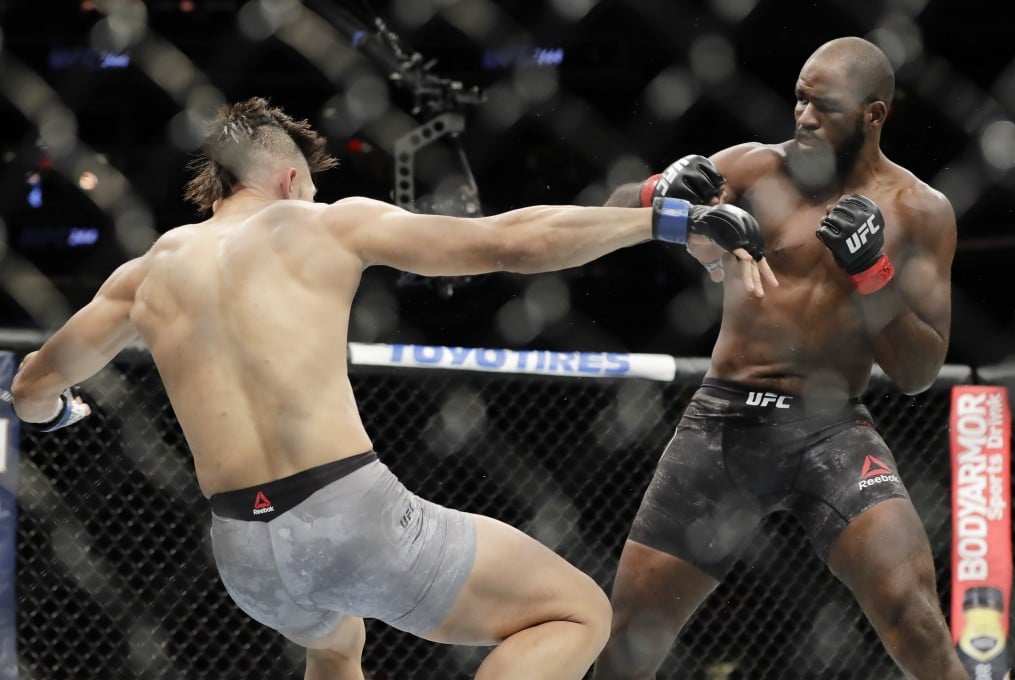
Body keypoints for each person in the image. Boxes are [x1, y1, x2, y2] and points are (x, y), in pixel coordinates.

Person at [10, 97, 776, 680]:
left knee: (335, 642)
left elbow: (33, 385)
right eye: (311, 188)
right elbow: (508, 244)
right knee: (576, 613)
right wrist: (664, 222)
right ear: (290, 179)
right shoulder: (318, 225)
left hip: (245, 556)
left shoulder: (143, 276)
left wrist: (58, 413)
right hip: (347, 518)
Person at [593, 37, 966, 679]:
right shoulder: (752, 169)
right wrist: (658, 190)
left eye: (826, 107)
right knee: (627, 639)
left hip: (833, 429)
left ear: (874, 115)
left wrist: (872, 272)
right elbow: (605, 220)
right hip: (724, 420)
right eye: (799, 100)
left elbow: (918, 372)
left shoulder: (920, 211)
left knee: (915, 618)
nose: (804, 118)